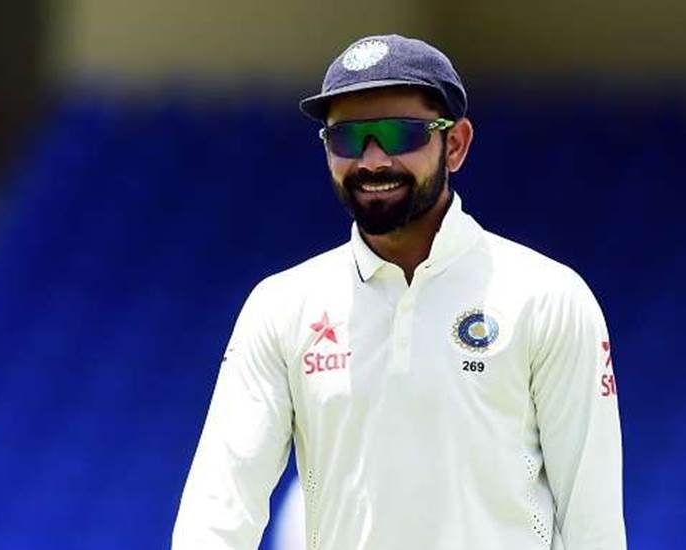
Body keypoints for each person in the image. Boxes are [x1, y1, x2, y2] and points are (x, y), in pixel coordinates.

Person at [172, 34, 626, 550]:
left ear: (455, 144)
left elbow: (593, 524)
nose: (372, 161)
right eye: (347, 139)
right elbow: (218, 511)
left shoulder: (547, 297)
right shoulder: (282, 307)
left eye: (398, 134)